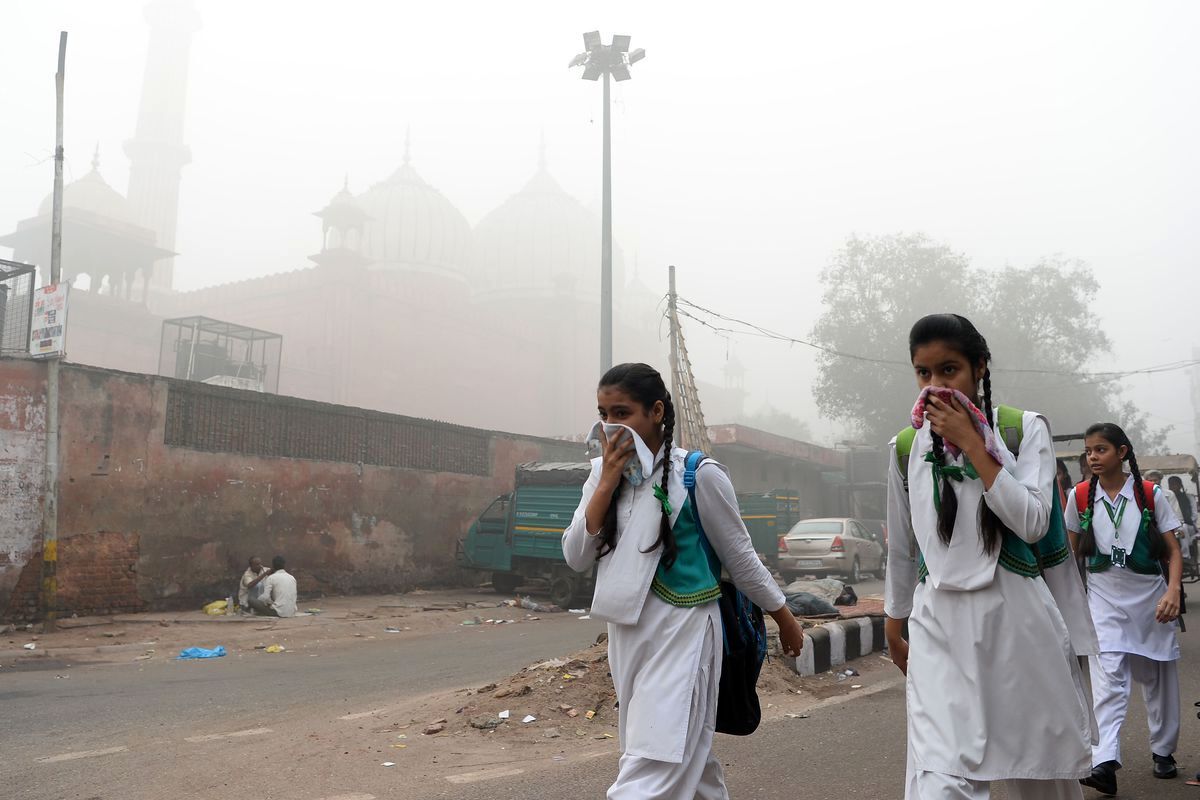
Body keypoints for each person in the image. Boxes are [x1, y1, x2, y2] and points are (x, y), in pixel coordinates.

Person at [562, 363, 806, 800]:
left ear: (656, 412)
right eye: (604, 414)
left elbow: (741, 557)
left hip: (687, 628)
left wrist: (783, 616)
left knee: (658, 759)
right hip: (627, 631)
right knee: (678, 755)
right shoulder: (602, 475)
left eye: (623, 413)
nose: (611, 426)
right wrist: (605, 484)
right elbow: (576, 555)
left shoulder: (699, 474)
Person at [884, 313, 1092, 800]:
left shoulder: (1023, 430)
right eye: (923, 373)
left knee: (1040, 775)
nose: (935, 387)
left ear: (980, 368)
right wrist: (896, 620)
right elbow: (901, 545)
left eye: (949, 370)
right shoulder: (904, 447)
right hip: (938, 627)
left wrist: (976, 445)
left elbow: (1035, 522)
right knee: (939, 781)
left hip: (1017, 625)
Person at [1064, 424, 1184, 793]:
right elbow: (1068, 554)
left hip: (1151, 597)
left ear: (1122, 452)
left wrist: (1174, 592)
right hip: (1103, 598)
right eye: (1088, 451)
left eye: (1100, 450)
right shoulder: (1080, 495)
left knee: (1157, 679)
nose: (1093, 458)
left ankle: (1163, 751)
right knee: (1109, 678)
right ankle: (1104, 762)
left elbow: (1173, 551)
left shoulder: (1150, 494)